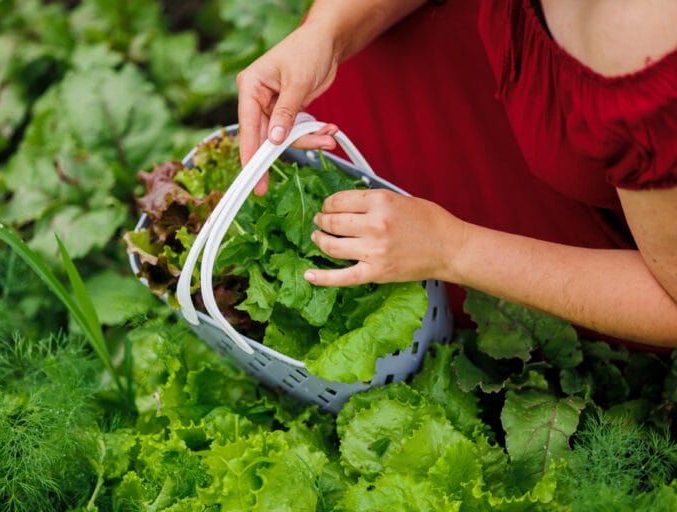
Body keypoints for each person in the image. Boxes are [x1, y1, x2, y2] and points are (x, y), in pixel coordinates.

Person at [236, 0, 677, 348]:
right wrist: (325, 33)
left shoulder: (642, 29)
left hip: (604, 253)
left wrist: (454, 249)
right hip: (498, 92)